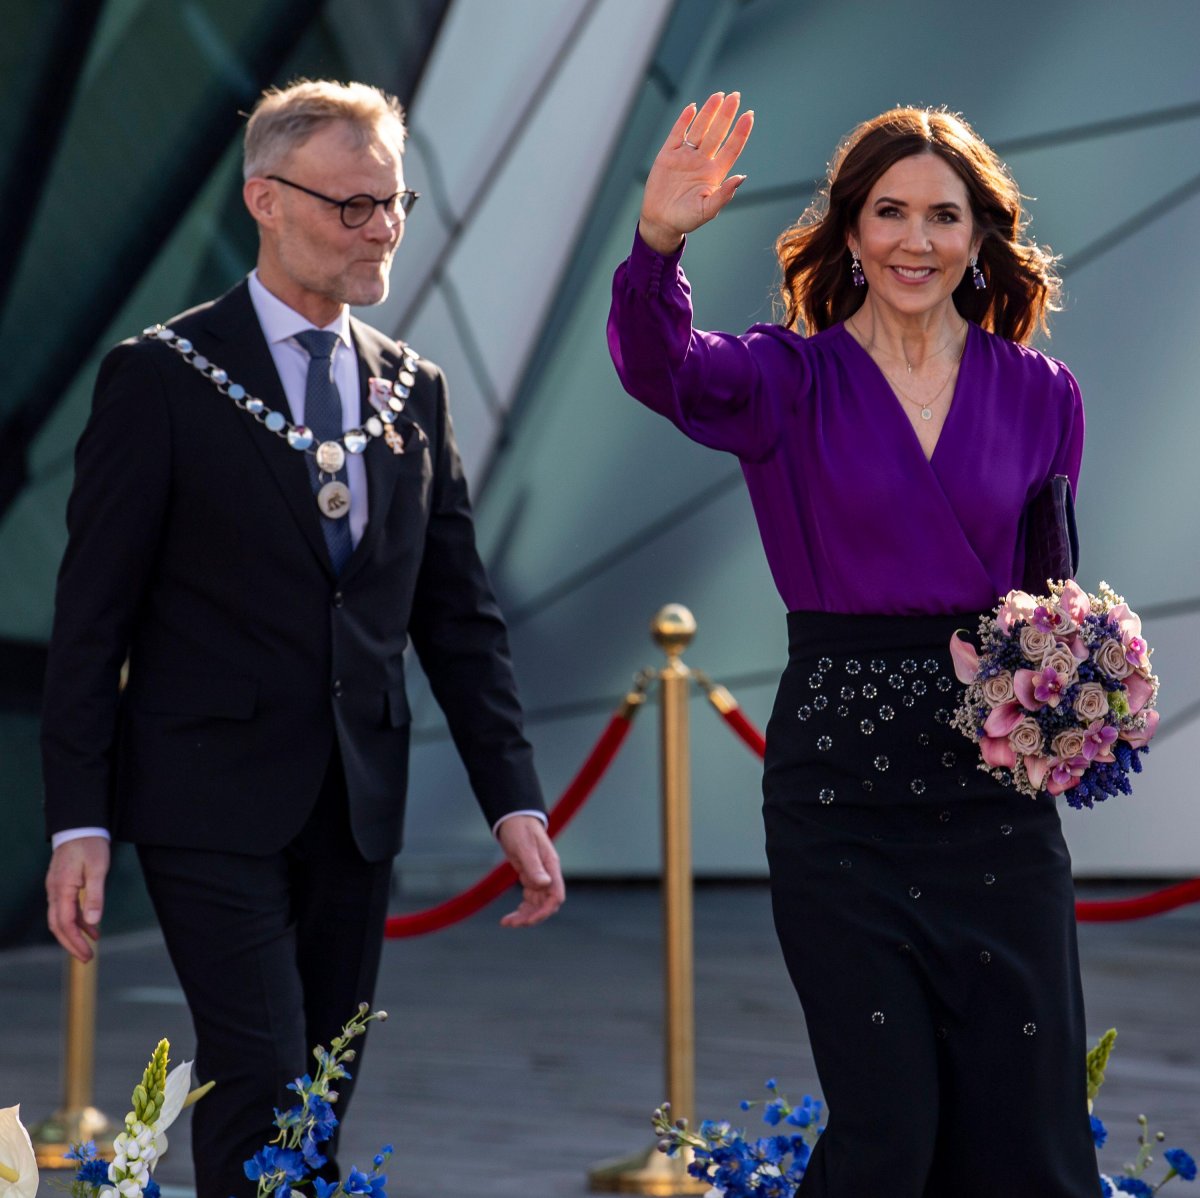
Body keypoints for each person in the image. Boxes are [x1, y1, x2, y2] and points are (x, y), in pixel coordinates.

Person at [41, 79, 564, 1198]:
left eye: (395, 203)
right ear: (265, 201)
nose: (381, 228)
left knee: (320, 1094)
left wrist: (514, 800)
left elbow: (458, 619)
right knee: (266, 1079)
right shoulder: (158, 379)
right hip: (204, 802)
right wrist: (79, 819)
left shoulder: (414, 391)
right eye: (353, 205)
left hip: (356, 807)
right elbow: (90, 624)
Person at [608, 92, 1100, 1196]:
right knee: (889, 1133)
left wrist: (1080, 702)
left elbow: (1047, 595)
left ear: (981, 237)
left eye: (942, 215)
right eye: (888, 212)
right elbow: (660, 368)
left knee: (1032, 1142)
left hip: (995, 801)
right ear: (849, 231)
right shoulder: (785, 377)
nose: (914, 240)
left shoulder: (1043, 394)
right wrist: (658, 241)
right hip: (841, 796)